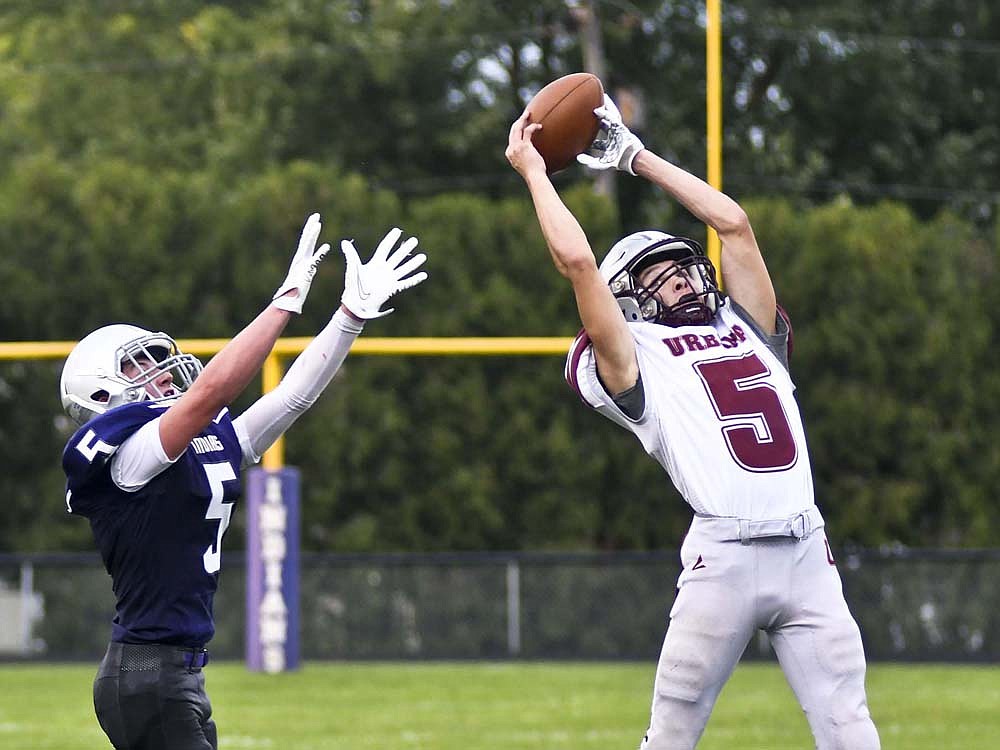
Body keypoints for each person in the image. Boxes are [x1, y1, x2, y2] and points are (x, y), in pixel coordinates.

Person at [506, 97, 880, 750]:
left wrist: (635, 157)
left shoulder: (748, 331)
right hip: (724, 556)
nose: (679, 279)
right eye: (657, 276)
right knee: (671, 737)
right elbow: (580, 264)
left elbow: (733, 225)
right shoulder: (631, 359)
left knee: (851, 732)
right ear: (627, 298)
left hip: (806, 549)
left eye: (682, 267)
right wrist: (536, 173)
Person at [59, 213, 428, 750]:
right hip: (146, 679)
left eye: (158, 360)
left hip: (171, 678)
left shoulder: (186, 446)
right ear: (102, 397)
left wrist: (349, 316)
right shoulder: (129, 459)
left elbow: (291, 398)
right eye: (143, 368)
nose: (164, 372)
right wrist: (286, 300)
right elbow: (209, 393)